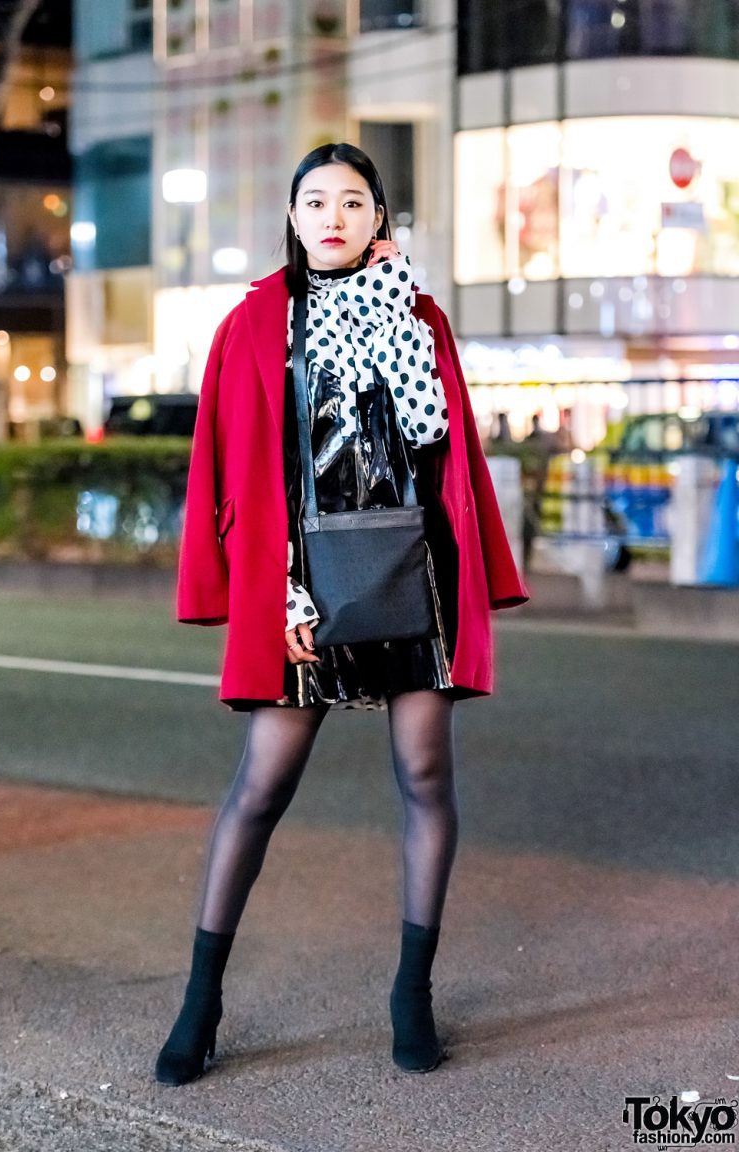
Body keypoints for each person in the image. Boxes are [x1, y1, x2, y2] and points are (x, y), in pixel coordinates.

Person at [155, 142, 528, 1087]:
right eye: (314, 200)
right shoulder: (252, 325)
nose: (331, 215)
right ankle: (200, 1002)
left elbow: (437, 440)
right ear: (291, 217)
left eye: (351, 201)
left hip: (412, 572)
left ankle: (412, 994)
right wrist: (267, 587)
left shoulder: (419, 315)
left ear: (378, 220)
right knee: (261, 785)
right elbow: (234, 468)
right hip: (299, 587)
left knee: (425, 772)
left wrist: (400, 318)